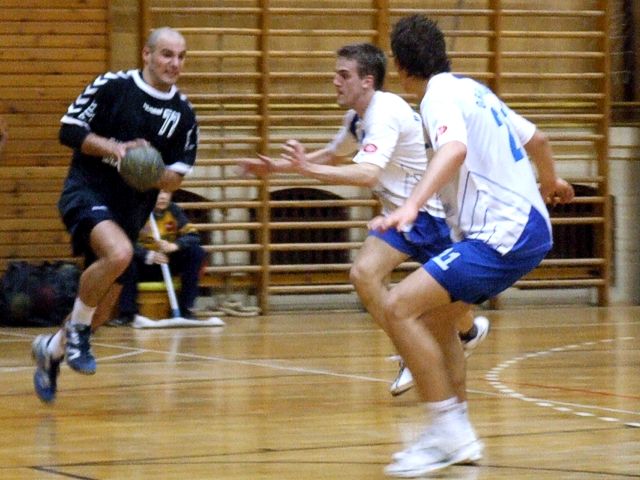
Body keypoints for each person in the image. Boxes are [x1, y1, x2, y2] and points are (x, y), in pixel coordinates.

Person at [369, 15, 575, 477]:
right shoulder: (473, 90)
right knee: (436, 321)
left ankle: (447, 433)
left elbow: (454, 149)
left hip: (502, 234)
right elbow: (538, 139)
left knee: (398, 308)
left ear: (400, 66)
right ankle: (456, 433)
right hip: (529, 228)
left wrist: (410, 205)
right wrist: (551, 181)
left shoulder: (436, 98)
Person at [239, 43, 490, 397]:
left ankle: (466, 338)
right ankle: (414, 348)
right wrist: (278, 168)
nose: (335, 81)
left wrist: (307, 169)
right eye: (336, 74)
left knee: (449, 307)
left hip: (433, 215)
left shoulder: (384, 112)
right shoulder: (357, 118)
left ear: (367, 81)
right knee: (364, 274)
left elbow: (367, 173)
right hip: (400, 217)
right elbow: (333, 154)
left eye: (344, 75)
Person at [31, 27, 199, 403]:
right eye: (167, 54)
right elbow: (69, 130)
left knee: (101, 312)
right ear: (146, 54)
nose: (174, 63)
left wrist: (147, 167)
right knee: (120, 253)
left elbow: (174, 177)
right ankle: (76, 333)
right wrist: (116, 150)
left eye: (181, 56)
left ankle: (51, 350)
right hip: (86, 192)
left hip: (130, 212)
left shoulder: (184, 115)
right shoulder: (113, 86)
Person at [110, 189, 206, 325]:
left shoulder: (174, 211)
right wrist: (148, 255)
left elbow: (193, 236)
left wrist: (174, 246)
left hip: (167, 263)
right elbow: (125, 240)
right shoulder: (137, 212)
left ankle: (186, 309)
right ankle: (127, 314)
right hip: (143, 266)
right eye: (159, 193)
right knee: (127, 258)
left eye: (166, 193)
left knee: (196, 252)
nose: (163, 197)